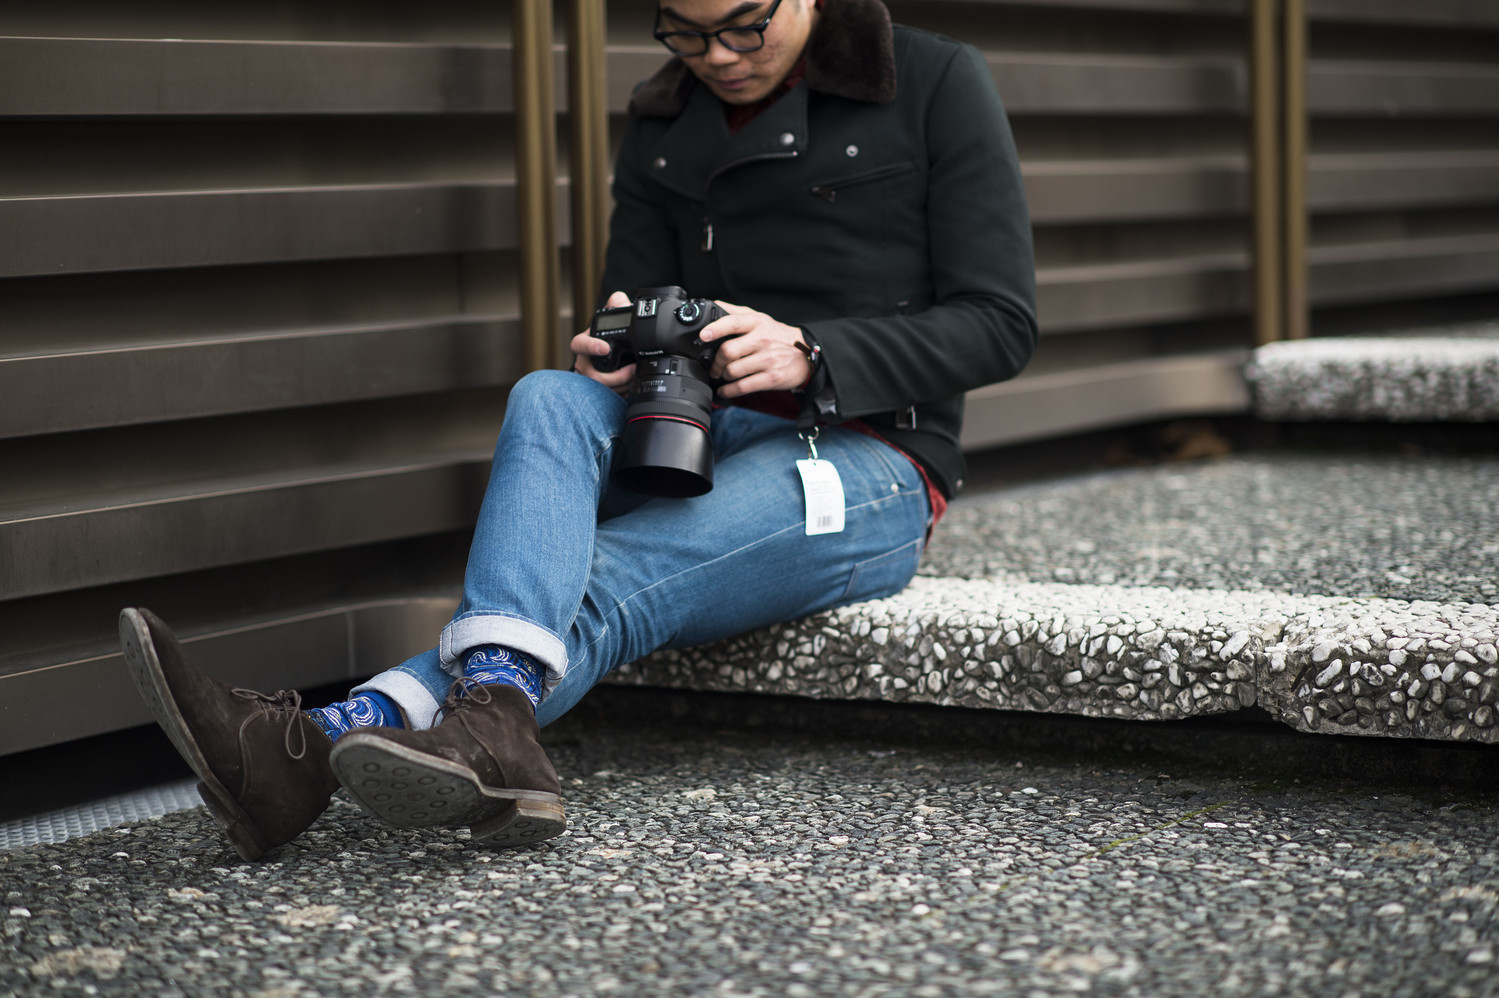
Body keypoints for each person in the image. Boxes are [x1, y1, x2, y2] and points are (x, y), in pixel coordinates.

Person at [119, 0, 1037, 861]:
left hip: (868, 455)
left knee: (599, 576)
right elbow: (630, 298)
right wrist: (616, 346)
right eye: (682, 30)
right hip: (697, 422)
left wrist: (813, 352)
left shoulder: (932, 80)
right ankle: (486, 735)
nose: (716, 56)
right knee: (550, 397)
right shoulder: (664, 116)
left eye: (744, 28)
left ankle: (305, 747)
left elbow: (1000, 322)